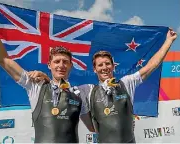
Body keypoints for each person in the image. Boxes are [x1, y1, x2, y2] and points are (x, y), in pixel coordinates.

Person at [29, 29, 177, 143]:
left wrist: (168, 41)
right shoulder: (87, 90)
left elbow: (151, 66)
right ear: (95, 69)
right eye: (100, 65)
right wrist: (46, 78)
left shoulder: (126, 83)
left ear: (113, 66)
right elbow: (60, 87)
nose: (104, 68)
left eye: (107, 64)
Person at [0, 1, 94, 143]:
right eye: (57, 61)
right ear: (49, 65)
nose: (61, 65)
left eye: (65, 62)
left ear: (71, 65)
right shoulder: (36, 86)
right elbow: (1, 57)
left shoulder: (80, 94)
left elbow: (94, 127)